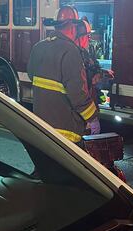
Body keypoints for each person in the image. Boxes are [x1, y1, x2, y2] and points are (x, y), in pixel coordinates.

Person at [27, 6, 97, 144]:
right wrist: (92, 118)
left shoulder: (38, 47)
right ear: (73, 27)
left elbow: (31, 75)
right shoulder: (71, 51)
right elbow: (78, 95)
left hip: (42, 128)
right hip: (65, 134)